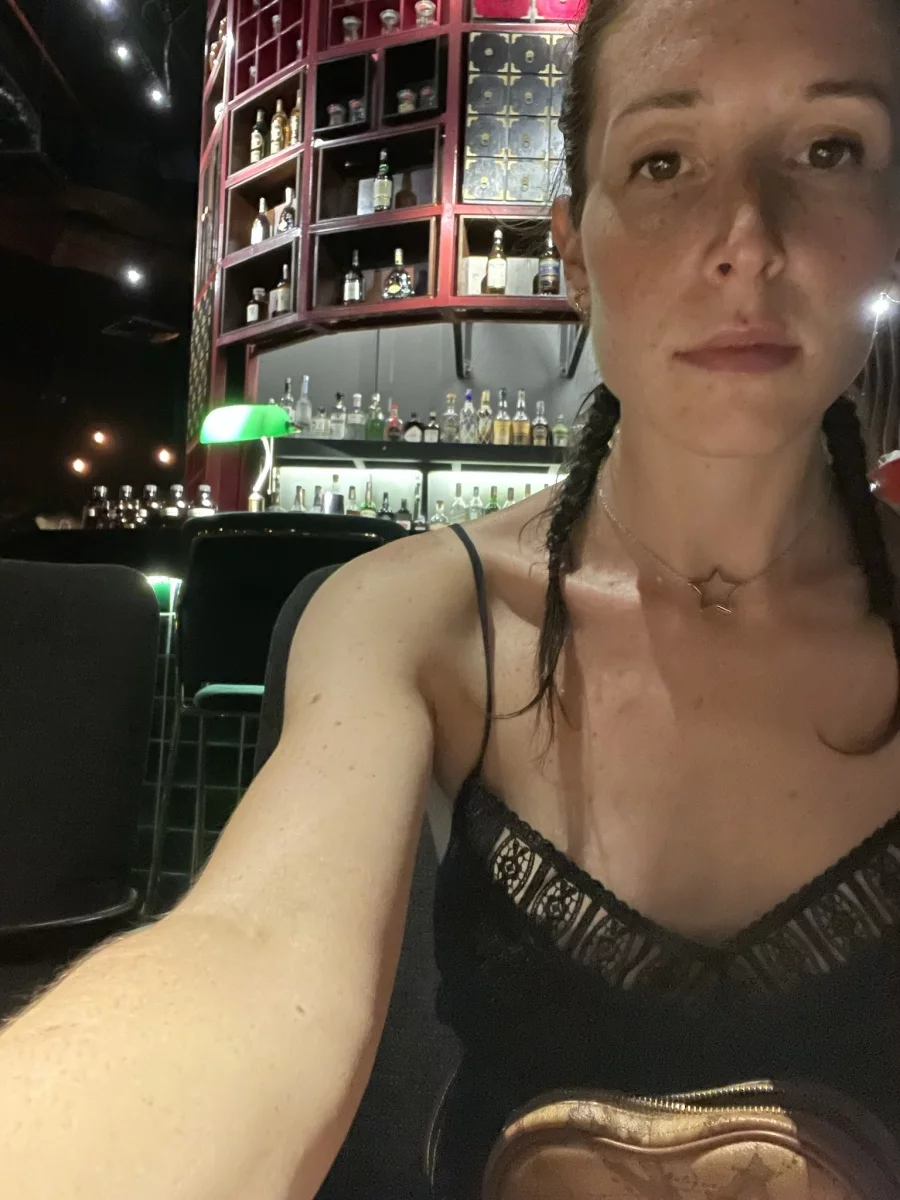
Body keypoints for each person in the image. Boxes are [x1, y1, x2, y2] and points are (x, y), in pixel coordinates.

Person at [4, 0, 900, 1194]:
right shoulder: (413, 613)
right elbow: (252, 947)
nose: (748, 239)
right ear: (574, 254)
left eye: (830, 148)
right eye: (664, 161)